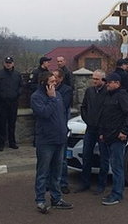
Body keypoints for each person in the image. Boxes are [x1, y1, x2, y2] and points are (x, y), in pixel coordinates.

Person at [30, 72, 73, 213]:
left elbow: (61, 115)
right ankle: (41, 200)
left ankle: (56, 199)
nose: (55, 83)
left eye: (55, 81)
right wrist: (51, 99)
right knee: (43, 172)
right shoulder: (36, 97)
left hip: (60, 139)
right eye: (52, 81)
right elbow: (44, 113)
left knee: (57, 172)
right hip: (46, 141)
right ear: (44, 82)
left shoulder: (58, 95)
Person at [97, 73, 128, 206]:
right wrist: (102, 132)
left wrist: (124, 131)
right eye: (106, 82)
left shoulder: (122, 96)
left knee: (117, 167)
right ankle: (114, 191)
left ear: (117, 83)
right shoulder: (108, 96)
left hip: (117, 138)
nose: (107, 84)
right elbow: (104, 115)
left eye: (109, 82)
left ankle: (117, 194)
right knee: (113, 166)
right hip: (107, 136)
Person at [75, 70, 108, 194]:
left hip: (102, 130)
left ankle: (101, 184)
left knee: (104, 157)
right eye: (93, 79)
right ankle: (85, 182)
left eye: (97, 79)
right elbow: (84, 107)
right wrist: (88, 120)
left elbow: (108, 111)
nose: (94, 81)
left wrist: (102, 125)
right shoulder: (90, 91)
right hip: (90, 128)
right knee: (86, 155)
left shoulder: (107, 92)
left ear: (103, 80)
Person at [52, 69, 74, 195]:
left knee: (62, 159)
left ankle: (63, 183)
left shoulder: (66, 90)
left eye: (55, 78)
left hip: (61, 127)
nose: (53, 81)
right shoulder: (47, 89)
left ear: (60, 78)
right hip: (50, 130)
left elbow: (62, 106)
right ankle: (51, 183)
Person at [0, 56, 23, 151]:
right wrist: (1, 95)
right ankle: (0, 143)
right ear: (4, 63)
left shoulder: (17, 74)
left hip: (13, 102)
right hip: (2, 102)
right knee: (1, 124)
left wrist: (17, 94)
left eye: (10, 62)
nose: (8, 64)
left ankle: (12, 142)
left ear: (13, 63)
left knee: (12, 123)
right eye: (7, 62)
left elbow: (21, 86)